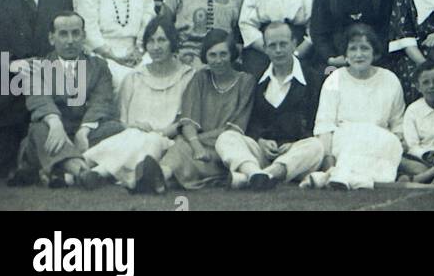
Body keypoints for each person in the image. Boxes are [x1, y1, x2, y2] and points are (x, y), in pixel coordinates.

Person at [0, 0, 75, 179]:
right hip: (9, 89)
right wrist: (12, 65)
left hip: (51, 89)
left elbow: (70, 44)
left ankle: (42, 165)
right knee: (3, 167)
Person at [10, 12, 123, 189]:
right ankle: (82, 171)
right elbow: (38, 99)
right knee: (39, 130)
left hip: (85, 134)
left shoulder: (98, 66)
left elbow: (102, 100)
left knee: (116, 129)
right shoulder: (38, 66)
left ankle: (58, 171)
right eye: (63, 34)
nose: (70, 40)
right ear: (51, 38)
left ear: (83, 36)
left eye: (75, 33)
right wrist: (55, 124)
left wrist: (84, 131)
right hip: (51, 132)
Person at [80, 17, 194, 189]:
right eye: (151, 41)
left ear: (173, 43)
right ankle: (94, 171)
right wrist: (134, 127)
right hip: (132, 136)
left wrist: (158, 131)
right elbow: (122, 119)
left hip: (166, 140)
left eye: (162, 40)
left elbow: (184, 121)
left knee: (152, 140)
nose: (156, 47)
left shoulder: (188, 77)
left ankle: (97, 172)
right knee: (135, 136)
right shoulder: (134, 78)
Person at [216, 20, 325, 190]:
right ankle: (255, 175)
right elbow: (250, 122)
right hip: (262, 154)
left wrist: (296, 142)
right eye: (272, 45)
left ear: (294, 44)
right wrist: (260, 140)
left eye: (283, 44)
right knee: (226, 138)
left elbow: (318, 122)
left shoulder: (313, 78)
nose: (278, 50)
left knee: (316, 146)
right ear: (265, 48)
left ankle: (264, 176)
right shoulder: (256, 79)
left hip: (295, 155)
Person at [149, 28, 255, 192]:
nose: (218, 60)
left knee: (185, 151)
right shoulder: (201, 78)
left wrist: (199, 144)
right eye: (212, 55)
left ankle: (159, 179)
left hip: (225, 147)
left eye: (223, 54)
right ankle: (158, 177)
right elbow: (188, 120)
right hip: (196, 144)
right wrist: (196, 145)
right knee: (181, 145)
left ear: (232, 55)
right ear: (205, 56)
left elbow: (236, 127)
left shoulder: (245, 82)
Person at [304, 24, 405, 190]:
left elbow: (397, 123)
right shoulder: (334, 79)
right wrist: (328, 159)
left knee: (388, 142)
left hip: (379, 139)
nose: (359, 54)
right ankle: (339, 174)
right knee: (355, 138)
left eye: (365, 48)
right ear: (346, 54)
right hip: (344, 138)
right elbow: (324, 124)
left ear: (375, 52)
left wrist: (397, 141)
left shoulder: (390, 79)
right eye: (353, 49)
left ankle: (340, 177)